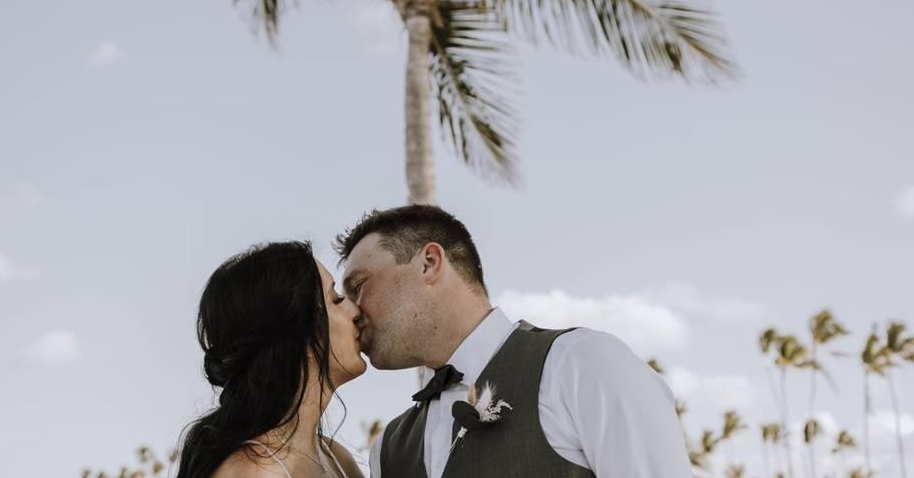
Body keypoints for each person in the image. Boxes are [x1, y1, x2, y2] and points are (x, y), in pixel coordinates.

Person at [336, 205, 694, 478]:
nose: (350, 310)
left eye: (359, 286)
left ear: (429, 263)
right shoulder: (388, 449)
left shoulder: (581, 365)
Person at [176, 241, 366, 478]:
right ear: (297, 330)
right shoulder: (252, 472)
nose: (355, 311)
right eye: (335, 299)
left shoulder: (337, 458)